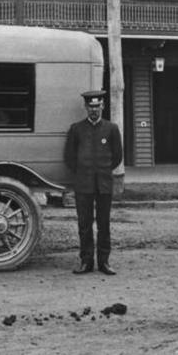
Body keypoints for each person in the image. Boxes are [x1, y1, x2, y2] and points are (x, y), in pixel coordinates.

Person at [64, 90, 123, 275]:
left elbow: (117, 156)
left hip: (104, 184)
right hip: (84, 184)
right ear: (86, 107)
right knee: (84, 224)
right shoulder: (76, 129)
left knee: (104, 224)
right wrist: (83, 172)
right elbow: (69, 157)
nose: (94, 110)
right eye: (91, 107)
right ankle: (86, 262)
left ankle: (104, 262)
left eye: (97, 107)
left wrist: (103, 170)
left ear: (103, 106)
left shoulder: (111, 129)